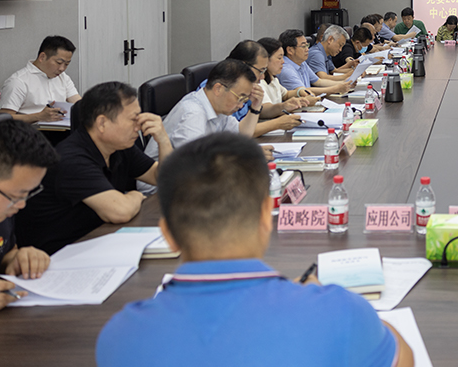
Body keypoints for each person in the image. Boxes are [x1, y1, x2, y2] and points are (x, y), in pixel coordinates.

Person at [95, 133, 413, 367]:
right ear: (265, 216)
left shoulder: (119, 335)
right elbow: (403, 358)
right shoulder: (339, 313)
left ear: (168, 235)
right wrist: (340, 306)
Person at [15, 82, 172, 254]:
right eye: (133, 119)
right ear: (102, 123)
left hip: (97, 241)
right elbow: (120, 212)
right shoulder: (72, 159)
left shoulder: (119, 146)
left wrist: (163, 140)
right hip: (57, 256)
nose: (139, 126)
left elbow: (168, 178)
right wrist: (136, 195)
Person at [0, 119, 58, 318]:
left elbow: (2, 253)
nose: (21, 205)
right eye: (15, 196)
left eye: (27, 194)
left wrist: (17, 259)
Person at [145, 59, 262, 159]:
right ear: (218, 89)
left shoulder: (218, 107)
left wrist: (255, 107)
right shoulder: (193, 113)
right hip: (163, 177)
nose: (241, 105)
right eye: (240, 98)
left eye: (244, 100)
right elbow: (195, 162)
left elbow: (241, 135)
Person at [0, 35, 82, 124]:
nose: (62, 69)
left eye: (66, 64)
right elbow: (4, 118)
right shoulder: (18, 81)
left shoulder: (63, 77)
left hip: (61, 128)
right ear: (42, 57)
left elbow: (77, 102)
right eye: (59, 63)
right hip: (31, 130)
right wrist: (38, 116)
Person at [253, 38, 313, 132]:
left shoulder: (273, 79)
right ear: (265, 60)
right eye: (279, 58)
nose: (283, 62)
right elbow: (264, 109)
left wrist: (299, 93)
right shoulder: (260, 83)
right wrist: (284, 106)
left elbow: (286, 94)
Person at [277, 30, 354, 96]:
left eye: (307, 45)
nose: (307, 49)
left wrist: (344, 83)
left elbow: (318, 81)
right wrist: (335, 89)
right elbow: (303, 91)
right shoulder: (286, 69)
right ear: (290, 50)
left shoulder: (302, 62)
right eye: (303, 46)